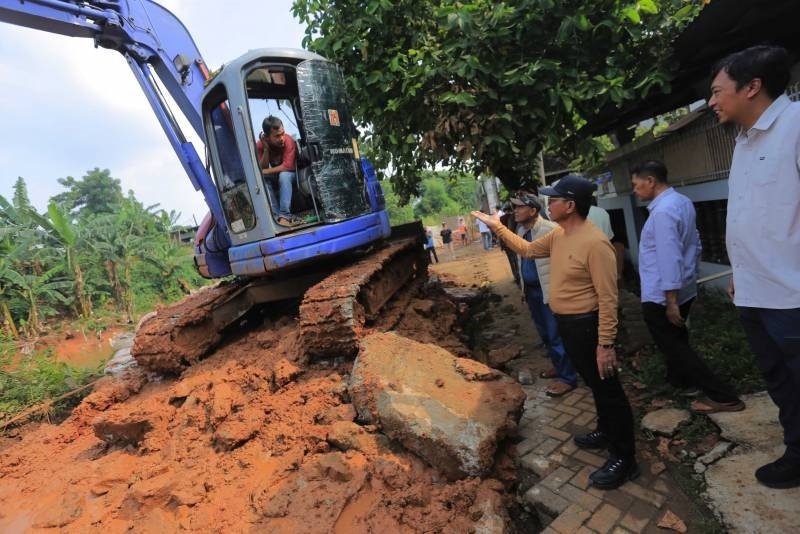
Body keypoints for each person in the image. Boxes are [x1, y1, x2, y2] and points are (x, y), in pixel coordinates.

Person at [473, 174, 637, 490]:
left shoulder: (594, 243)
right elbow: (528, 250)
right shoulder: (559, 235)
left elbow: (608, 297)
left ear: (570, 205)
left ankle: (624, 458)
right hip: (569, 326)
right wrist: (497, 226)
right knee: (594, 384)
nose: (549, 202)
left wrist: (606, 344)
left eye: (555, 198)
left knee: (610, 392)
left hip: (589, 326)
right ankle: (605, 431)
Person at [709, 45, 800, 489]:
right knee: (780, 382)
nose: (712, 101)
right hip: (753, 291)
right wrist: (739, 272)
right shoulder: (744, 143)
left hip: (793, 296)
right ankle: (798, 452)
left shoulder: (796, 127)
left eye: (717, 91)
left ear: (752, 87)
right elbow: (754, 217)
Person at [631, 160, 744, 412]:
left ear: (650, 181)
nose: (635, 191)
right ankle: (681, 381)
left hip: (662, 294)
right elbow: (695, 243)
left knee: (675, 346)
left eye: (637, 185)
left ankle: (723, 395)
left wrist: (670, 300)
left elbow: (670, 256)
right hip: (683, 288)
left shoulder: (662, 212)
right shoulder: (680, 202)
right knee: (677, 338)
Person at [512, 191, 577, 397]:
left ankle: (568, 378)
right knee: (545, 336)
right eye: (514, 207)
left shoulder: (551, 230)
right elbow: (523, 262)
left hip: (549, 292)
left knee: (555, 335)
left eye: (519, 207)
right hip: (532, 292)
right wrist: (523, 288)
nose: (515, 211)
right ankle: (558, 367)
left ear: (533, 210)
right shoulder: (521, 231)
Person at [257, 116, 299, 227]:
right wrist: (266, 149)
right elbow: (262, 167)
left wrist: (264, 171)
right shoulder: (261, 145)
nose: (281, 138)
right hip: (277, 175)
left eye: (282, 134)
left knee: (284, 176)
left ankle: (285, 215)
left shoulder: (288, 140)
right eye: (277, 136)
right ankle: (276, 216)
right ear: (267, 137)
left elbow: (287, 166)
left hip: (293, 174)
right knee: (262, 178)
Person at [499, 203, 521, 286]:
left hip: (506, 243)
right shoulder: (515, 216)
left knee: (511, 260)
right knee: (517, 259)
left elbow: (500, 233)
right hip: (516, 241)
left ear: (504, 210)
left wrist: (501, 244)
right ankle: (519, 277)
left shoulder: (501, 218)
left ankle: (516, 276)